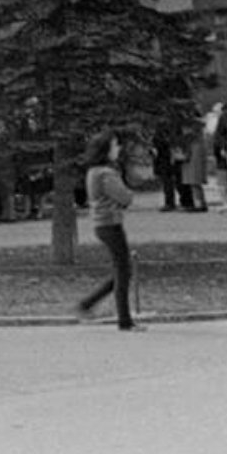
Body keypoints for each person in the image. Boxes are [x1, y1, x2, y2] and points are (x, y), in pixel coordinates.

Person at [76, 129, 142, 331]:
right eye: (115, 146)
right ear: (106, 150)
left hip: (103, 224)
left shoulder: (93, 171)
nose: (118, 149)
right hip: (110, 224)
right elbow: (125, 197)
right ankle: (124, 320)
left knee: (122, 271)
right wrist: (126, 192)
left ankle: (88, 303)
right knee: (123, 271)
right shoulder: (106, 174)